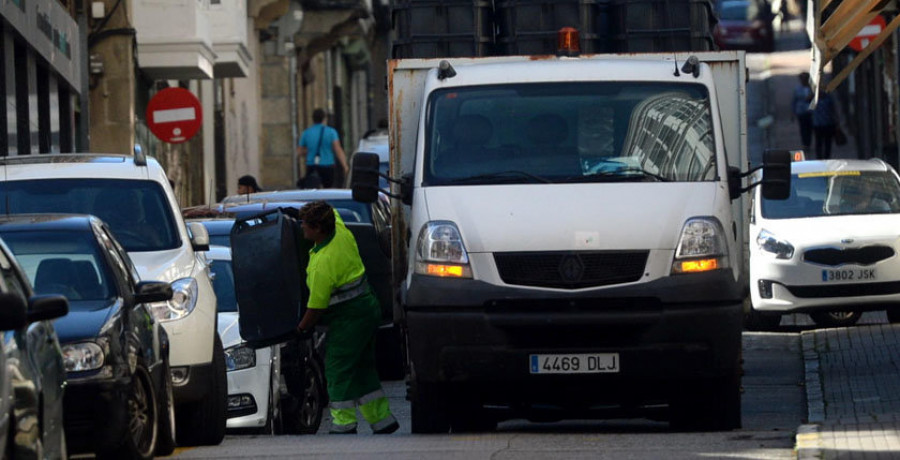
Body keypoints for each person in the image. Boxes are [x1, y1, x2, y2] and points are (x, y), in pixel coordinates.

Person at [294, 201, 398, 435]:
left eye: (305, 225)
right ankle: (382, 420)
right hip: (368, 309)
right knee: (362, 367)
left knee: (337, 368)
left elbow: (316, 307)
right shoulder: (340, 231)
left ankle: (344, 423)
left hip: (350, 318)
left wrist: (301, 329)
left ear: (318, 229)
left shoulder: (323, 263)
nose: (302, 229)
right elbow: (331, 210)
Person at [297, 109, 349, 189]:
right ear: (324, 119)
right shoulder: (331, 132)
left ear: (313, 119)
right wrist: (345, 166)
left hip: (312, 166)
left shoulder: (306, 133)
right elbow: (338, 149)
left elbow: (299, 152)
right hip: (328, 166)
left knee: (312, 189)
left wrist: (310, 150)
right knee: (327, 190)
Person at [812, 89, 838, 160]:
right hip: (819, 124)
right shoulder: (815, 100)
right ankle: (820, 157)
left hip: (827, 124)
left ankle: (826, 157)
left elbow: (833, 111)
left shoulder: (828, 99)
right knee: (820, 142)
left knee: (827, 142)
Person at [791, 72, 813, 150]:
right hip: (801, 111)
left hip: (810, 111)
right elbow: (794, 101)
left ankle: (808, 142)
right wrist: (792, 113)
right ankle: (805, 143)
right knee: (803, 128)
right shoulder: (797, 89)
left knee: (809, 128)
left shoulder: (812, 88)